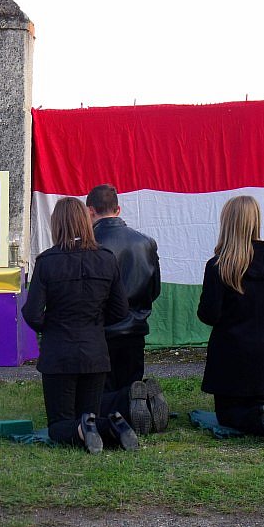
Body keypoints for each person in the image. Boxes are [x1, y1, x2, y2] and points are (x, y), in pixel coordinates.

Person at [22, 197, 136, 453]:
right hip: (95, 352)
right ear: (86, 222)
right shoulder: (106, 258)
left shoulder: (47, 261)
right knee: (89, 417)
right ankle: (114, 424)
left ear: (57, 225)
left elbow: (32, 313)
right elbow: (121, 310)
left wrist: (51, 327)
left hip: (59, 354)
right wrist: (95, 323)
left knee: (59, 426)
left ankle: (100, 427)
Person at [197, 195, 264, 444]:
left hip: (229, 358)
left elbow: (209, 315)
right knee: (258, 405)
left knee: (228, 417)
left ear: (227, 223)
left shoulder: (219, 265)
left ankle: (263, 419)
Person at [86, 184, 167, 435]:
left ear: (90, 211)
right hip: (135, 327)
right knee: (132, 383)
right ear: (118, 209)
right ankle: (141, 402)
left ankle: (130, 405)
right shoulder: (145, 242)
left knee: (100, 394)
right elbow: (154, 289)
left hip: (101, 330)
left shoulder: (88, 245)